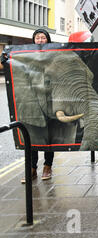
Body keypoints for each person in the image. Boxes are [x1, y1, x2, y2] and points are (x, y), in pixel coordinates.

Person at [20, 29, 55, 183]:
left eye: (43, 37)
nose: (40, 40)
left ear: (48, 40)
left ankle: (48, 166)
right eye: (37, 37)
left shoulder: (55, 55)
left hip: (50, 100)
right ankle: (32, 168)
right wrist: (5, 58)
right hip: (32, 101)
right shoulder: (26, 55)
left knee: (49, 135)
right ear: (33, 40)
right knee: (31, 133)